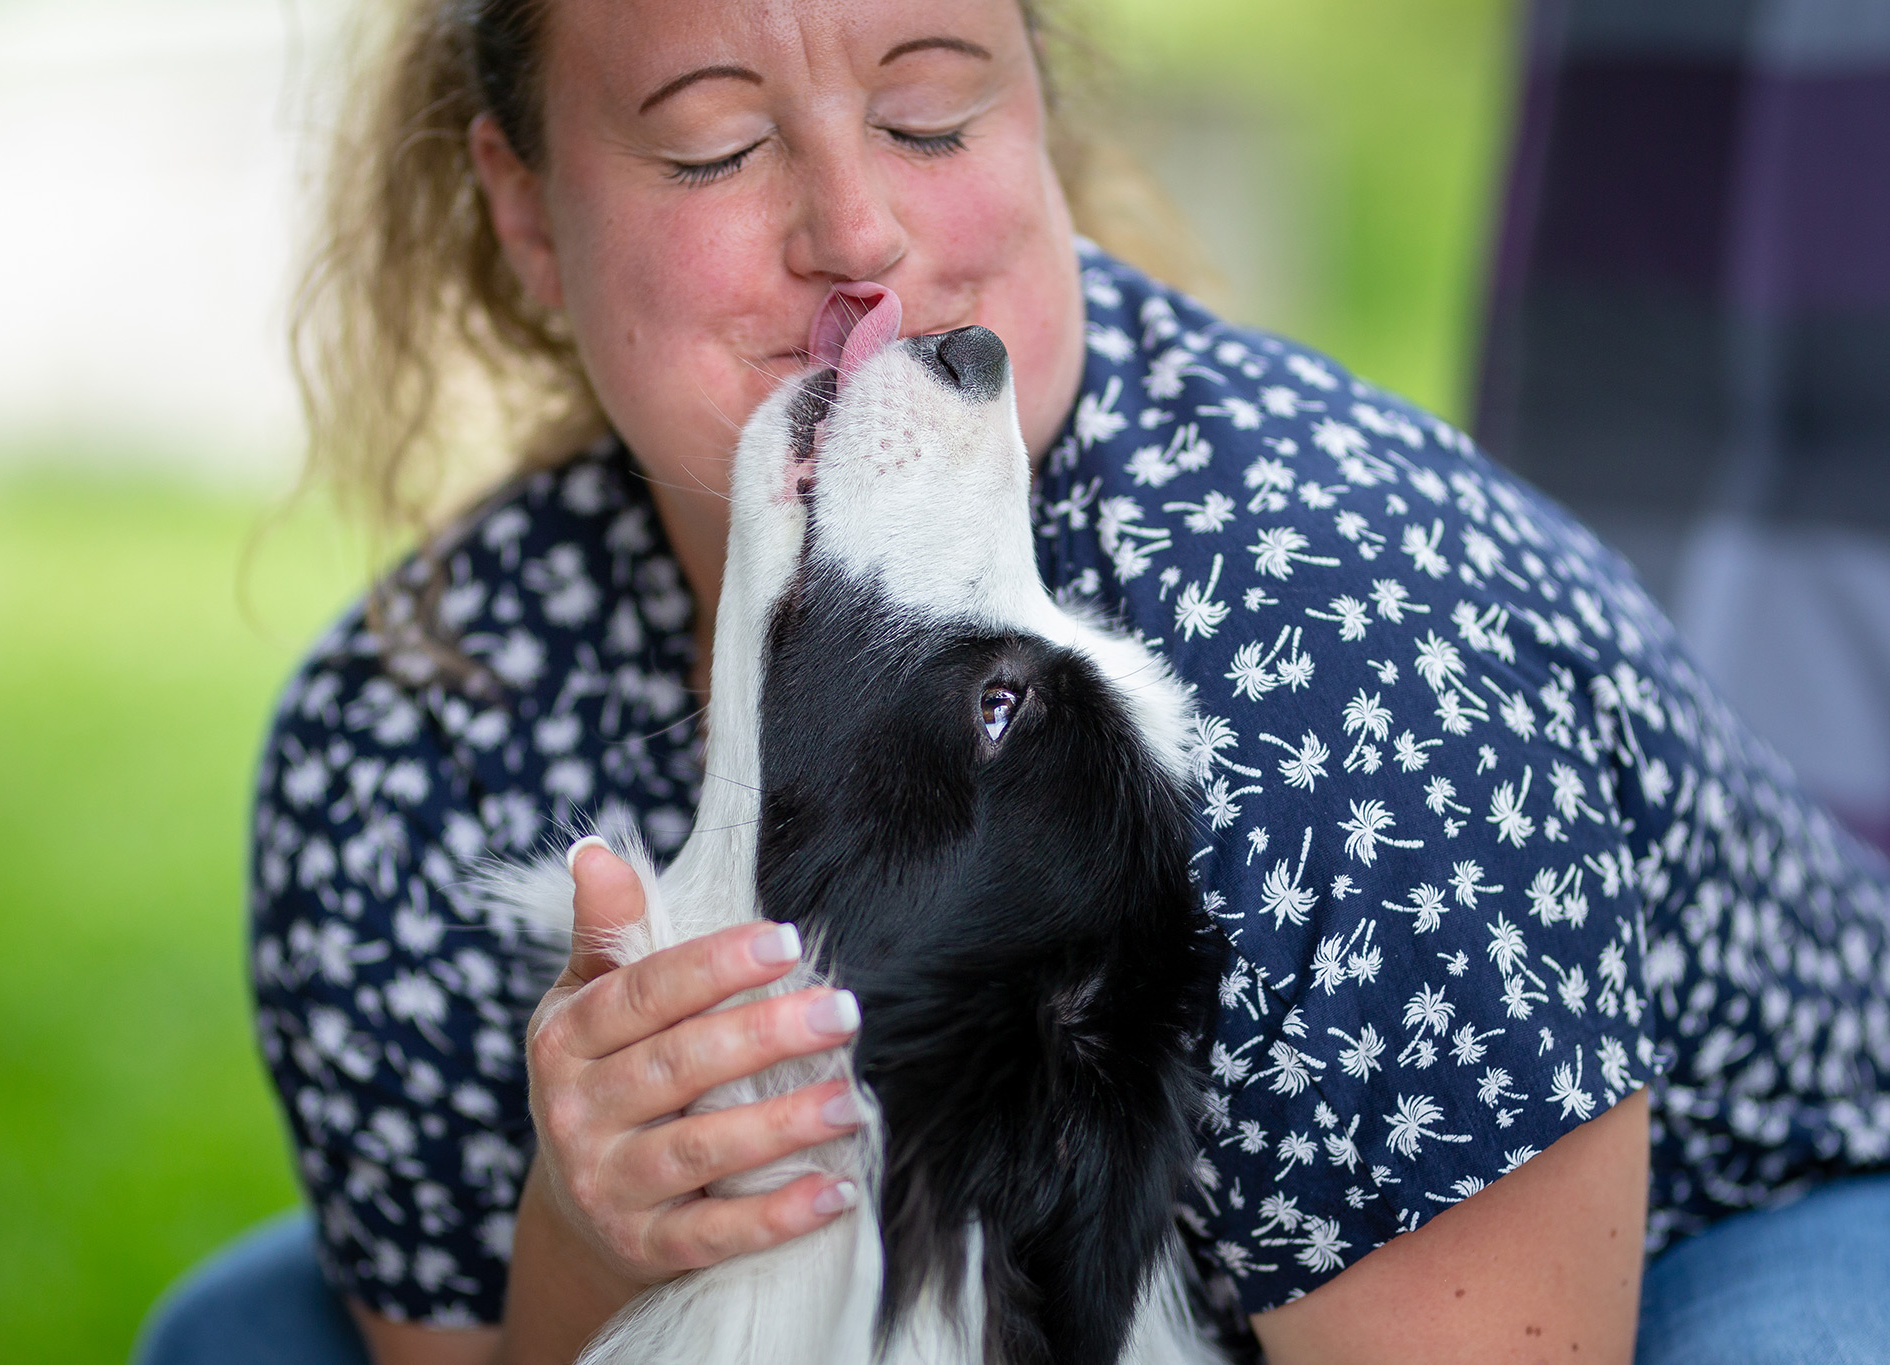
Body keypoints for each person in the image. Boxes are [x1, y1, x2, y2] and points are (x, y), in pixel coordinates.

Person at [132, 1, 1890, 1363]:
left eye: (930, 109)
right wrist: (592, 1234)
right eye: (712, 142)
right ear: (524, 215)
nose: (858, 229)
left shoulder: (1350, 679)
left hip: (1720, 1226)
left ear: (1035, 101)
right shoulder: (407, 753)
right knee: (247, 1336)